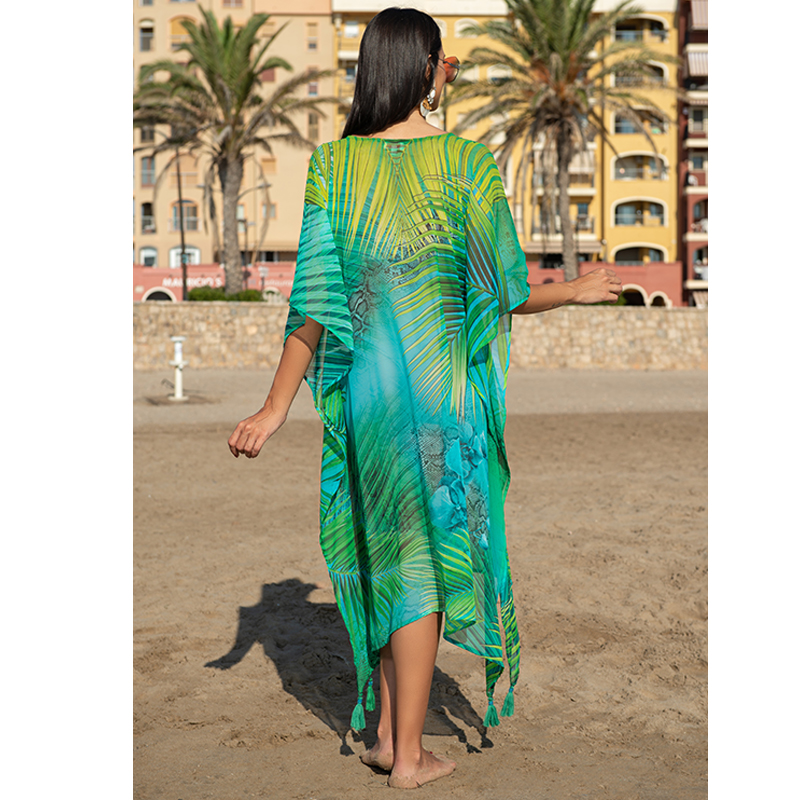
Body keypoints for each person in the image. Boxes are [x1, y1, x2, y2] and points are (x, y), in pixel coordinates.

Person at [228, 7, 621, 790]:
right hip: (438, 403)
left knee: (382, 554)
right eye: (446, 59)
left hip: (367, 404)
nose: (453, 70)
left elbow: (313, 308)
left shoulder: (333, 168)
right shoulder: (468, 165)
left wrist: (275, 407)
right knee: (425, 569)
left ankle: (383, 736)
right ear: (422, 68)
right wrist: (576, 289)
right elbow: (506, 291)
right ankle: (409, 758)